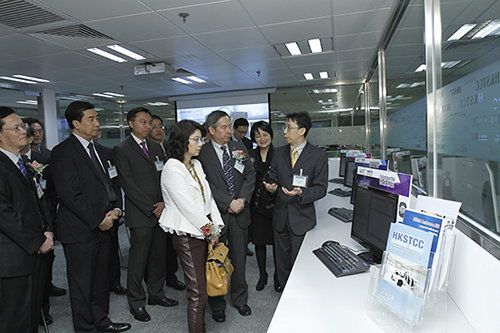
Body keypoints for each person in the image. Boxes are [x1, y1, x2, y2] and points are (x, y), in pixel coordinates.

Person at [51, 101, 131, 332]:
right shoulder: (63, 152)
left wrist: (115, 208)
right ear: (76, 124)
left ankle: (102, 321)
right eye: (91, 119)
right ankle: (85, 327)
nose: (97, 123)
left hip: (105, 224)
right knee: (82, 283)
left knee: (99, 280)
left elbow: (108, 184)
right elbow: (70, 195)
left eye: (97, 118)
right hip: (80, 230)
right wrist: (98, 219)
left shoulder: (97, 148)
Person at [113, 107, 178, 323]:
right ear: (131, 123)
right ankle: (136, 302)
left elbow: (164, 178)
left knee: (158, 256)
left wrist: (163, 202)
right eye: (143, 122)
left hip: (161, 211)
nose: (148, 126)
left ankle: (156, 294)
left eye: (149, 122)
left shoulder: (156, 147)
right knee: (138, 260)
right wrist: (151, 206)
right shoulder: (122, 149)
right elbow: (128, 184)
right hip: (141, 214)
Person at [159, 120, 224, 333]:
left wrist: (217, 226)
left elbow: (208, 198)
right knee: (197, 292)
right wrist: (210, 231)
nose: (200, 144)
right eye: (195, 140)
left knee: (202, 287)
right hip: (187, 233)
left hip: (204, 230)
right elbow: (187, 207)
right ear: (182, 141)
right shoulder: (172, 167)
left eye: (200, 139)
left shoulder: (195, 164)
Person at [197, 110, 256, 323]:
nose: (229, 131)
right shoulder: (201, 154)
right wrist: (227, 202)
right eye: (223, 127)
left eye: (229, 126)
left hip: (240, 212)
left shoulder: (238, 147)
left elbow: (250, 174)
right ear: (211, 130)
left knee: (239, 259)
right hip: (217, 216)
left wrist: (242, 199)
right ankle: (217, 304)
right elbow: (205, 185)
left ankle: (240, 299)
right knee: (216, 261)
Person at [0, 106, 53, 333]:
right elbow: (4, 213)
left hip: (33, 252)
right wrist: (37, 240)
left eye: (22, 125)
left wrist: (48, 230)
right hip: (12, 259)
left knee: (31, 316)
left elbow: (38, 201)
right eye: (16, 127)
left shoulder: (20, 162)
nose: (24, 130)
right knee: (15, 320)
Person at [264, 112, 328, 291]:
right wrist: (271, 187)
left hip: (302, 217)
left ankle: (299, 291)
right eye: (284, 127)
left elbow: (321, 188)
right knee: (281, 259)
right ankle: (284, 290)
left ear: (302, 130)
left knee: (299, 261)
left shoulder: (318, 155)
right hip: (280, 215)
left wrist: (302, 193)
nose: (284, 131)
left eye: (289, 128)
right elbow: (273, 177)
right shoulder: (278, 152)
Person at [24, 117, 67, 298]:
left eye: (40, 131)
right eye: (33, 131)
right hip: (31, 214)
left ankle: (47, 285)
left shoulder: (48, 154)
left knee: (50, 254)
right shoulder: (22, 159)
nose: (38, 134)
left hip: (48, 205)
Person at [149, 114, 186, 291]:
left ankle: (171, 276)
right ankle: (156, 284)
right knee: (156, 251)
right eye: (154, 126)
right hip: (155, 206)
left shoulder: (167, 148)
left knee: (171, 247)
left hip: (171, 205)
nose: (158, 130)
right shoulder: (147, 150)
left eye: (161, 126)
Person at [248, 121, 277, 291]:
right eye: (258, 135)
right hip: (257, 205)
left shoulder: (280, 154)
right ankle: (262, 274)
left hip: (276, 205)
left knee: (277, 242)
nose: (262, 138)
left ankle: (278, 275)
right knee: (259, 241)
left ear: (271, 135)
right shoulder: (249, 155)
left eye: (265, 134)